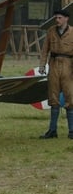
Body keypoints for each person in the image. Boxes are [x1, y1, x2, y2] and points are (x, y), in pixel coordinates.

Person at [38, 9, 73, 139]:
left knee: (70, 98)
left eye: (59, 18)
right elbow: (45, 49)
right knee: (53, 98)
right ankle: (52, 130)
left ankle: (72, 131)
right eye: (56, 18)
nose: (57, 20)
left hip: (68, 65)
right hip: (53, 64)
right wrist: (42, 65)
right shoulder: (51, 31)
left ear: (66, 19)